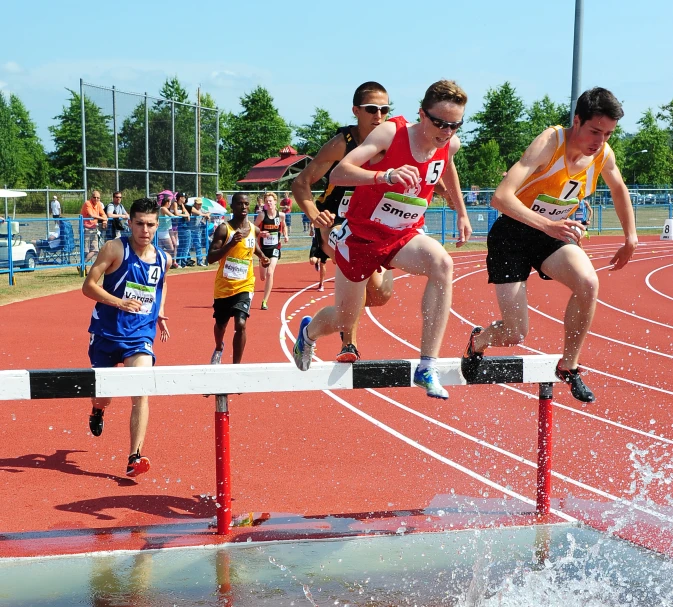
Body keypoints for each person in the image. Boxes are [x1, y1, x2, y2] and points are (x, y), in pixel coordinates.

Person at [293, 80, 472, 400]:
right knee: (346, 316)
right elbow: (339, 173)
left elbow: (448, 168)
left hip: (403, 233)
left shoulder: (449, 142)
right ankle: (308, 334)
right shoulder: (391, 133)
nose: (446, 132)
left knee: (442, 263)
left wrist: (461, 211)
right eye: (440, 123)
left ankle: (426, 365)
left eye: (454, 125)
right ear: (422, 113)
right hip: (361, 236)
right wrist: (383, 176)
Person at [461, 87, 638, 403]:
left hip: (550, 235)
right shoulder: (550, 143)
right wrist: (549, 224)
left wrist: (630, 237)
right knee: (515, 334)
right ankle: (479, 341)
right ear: (577, 121)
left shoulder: (603, 155)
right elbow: (500, 197)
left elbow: (619, 188)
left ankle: (569, 365)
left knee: (588, 283)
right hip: (512, 235)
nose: (600, 141)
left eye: (608, 134)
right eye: (595, 131)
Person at [292, 81, 397, 362]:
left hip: (372, 224)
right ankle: (348, 344)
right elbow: (300, 183)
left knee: (381, 294)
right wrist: (315, 217)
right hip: (334, 224)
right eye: (372, 109)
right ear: (356, 111)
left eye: (385, 109)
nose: (379, 115)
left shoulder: (392, 143)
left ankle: (318, 326)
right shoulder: (341, 145)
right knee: (357, 270)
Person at [82, 197, 171, 478]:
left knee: (140, 390)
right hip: (107, 333)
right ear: (130, 222)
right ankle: (97, 411)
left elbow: (161, 285)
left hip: (139, 336)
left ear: (158, 225)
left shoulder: (162, 258)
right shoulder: (114, 249)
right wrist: (119, 302)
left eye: (151, 225)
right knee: (104, 397)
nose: (145, 230)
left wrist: (159, 312)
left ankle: (135, 456)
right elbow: (88, 286)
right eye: (140, 224)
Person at [207, 193, 271, 364]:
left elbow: (253, 244)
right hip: (224, 286)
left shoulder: (253, 229)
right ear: (232, 207)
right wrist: (231, 243)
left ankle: (236, 367)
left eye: (246, 204)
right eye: (239, 204)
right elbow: (210, 258)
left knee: (241, 324)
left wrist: (263, 256)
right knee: (220, 325)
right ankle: (219, 347)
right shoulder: (224, 229)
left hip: (245, 284)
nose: (243, 207)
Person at [254, 192, 288, 310]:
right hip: (263, 249)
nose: (269, 203)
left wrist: (285, 235)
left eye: (271, 201)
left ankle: (264, 301)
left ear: (275, 202)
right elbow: (253, 228)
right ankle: (261, 265)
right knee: (263, 276)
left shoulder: (281, 215)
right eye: (267, 201)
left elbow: (283, 225)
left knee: (270, 273)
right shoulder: (262, 215)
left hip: (275, 248)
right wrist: (260, 233)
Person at [81, 191, 107, 264]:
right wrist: (103, 218)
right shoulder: (87, 203)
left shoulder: (99, 204)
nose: (96, 199)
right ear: (91, 197)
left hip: (94, 228)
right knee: (85, 250)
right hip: (85, 228)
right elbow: (91, 215)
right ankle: (82, 267)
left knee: (95, 250)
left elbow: (104, 214)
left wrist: (105, 221)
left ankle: (82, 264)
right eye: (94, 197)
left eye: (98, 198)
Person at [189, 198, 211, 266]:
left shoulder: (201, 209)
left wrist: (207, 214)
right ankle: (185, 261)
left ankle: (200, 261)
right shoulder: (191, 208)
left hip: (197, 230)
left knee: (198, 245)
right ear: (195, 203)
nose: (199, 206)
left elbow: (208, 212)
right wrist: (204, 215)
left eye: (200, 204)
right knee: (187, 247)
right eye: (198, 204)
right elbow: (196, 212)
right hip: (189, 230)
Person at [308, 224, 329, 291]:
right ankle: (317, 261)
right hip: (316, 242)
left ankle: (321, 284)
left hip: (324, 242)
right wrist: (311, 229)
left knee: (323, 264)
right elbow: (312, 221)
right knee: (312, 261)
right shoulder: (316, 215)